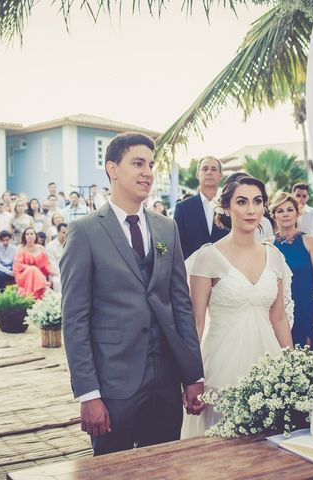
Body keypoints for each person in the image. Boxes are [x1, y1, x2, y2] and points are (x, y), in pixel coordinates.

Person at [60, 132, 204, 456]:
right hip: (113, 387)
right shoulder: (84, 232)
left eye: (151, 165)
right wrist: (88, 394)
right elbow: (75, 319)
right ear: (112, 169)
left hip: (166, 384)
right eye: (138, 163)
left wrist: (193, 374)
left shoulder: (167, 228)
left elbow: (181, 304)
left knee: (166, 468)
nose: (148, 172)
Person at [181, 175, 294, 438]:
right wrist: (191, 377)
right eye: (242, 202)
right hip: (221, 366)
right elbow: (196, 322)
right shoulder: (207, 258)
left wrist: (291, 367)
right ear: (227, 207)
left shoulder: (274, 257)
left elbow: (278, 318)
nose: (251, 209)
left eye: (257, 201)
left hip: (269, 364)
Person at [269, 192, 313, 348]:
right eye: (280, 211)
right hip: (278, 311)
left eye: (289, 209)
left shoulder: (310, 242)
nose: (285, 214)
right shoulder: (267, 245)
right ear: (274, 215)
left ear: (297, 213)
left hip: (307, 309)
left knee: (308, 360)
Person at [173, 156, 228, 259]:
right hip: (193, 270)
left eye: (214, 169)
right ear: (198, 174)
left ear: (220, 175)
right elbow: (178, 244)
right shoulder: (183, 208)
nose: (209, 172)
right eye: (205, 169)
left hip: (227, 270)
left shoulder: (229, 206)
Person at [14, 227, 52, 300]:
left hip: (38, 275)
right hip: (22, 275)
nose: (29, 235)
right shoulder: (20, 248)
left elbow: (47, 265)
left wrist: (56, 274)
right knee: (33, 269)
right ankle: (45, 287)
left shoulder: (41, 248)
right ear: (24, 237)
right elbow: (18, 265)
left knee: (34, 271)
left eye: (31, 233)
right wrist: (31, 268)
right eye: (27, 234)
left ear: (35, 236)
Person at [46, 223, 67, 292]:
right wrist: (61, 274)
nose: (65, 235)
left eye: (67, 233)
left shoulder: (70, 245)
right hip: (55, 274)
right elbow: (52, 264)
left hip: (68, 272)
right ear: (58, 232)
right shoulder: (50, 246)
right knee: (58, 281)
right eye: (63, 232)